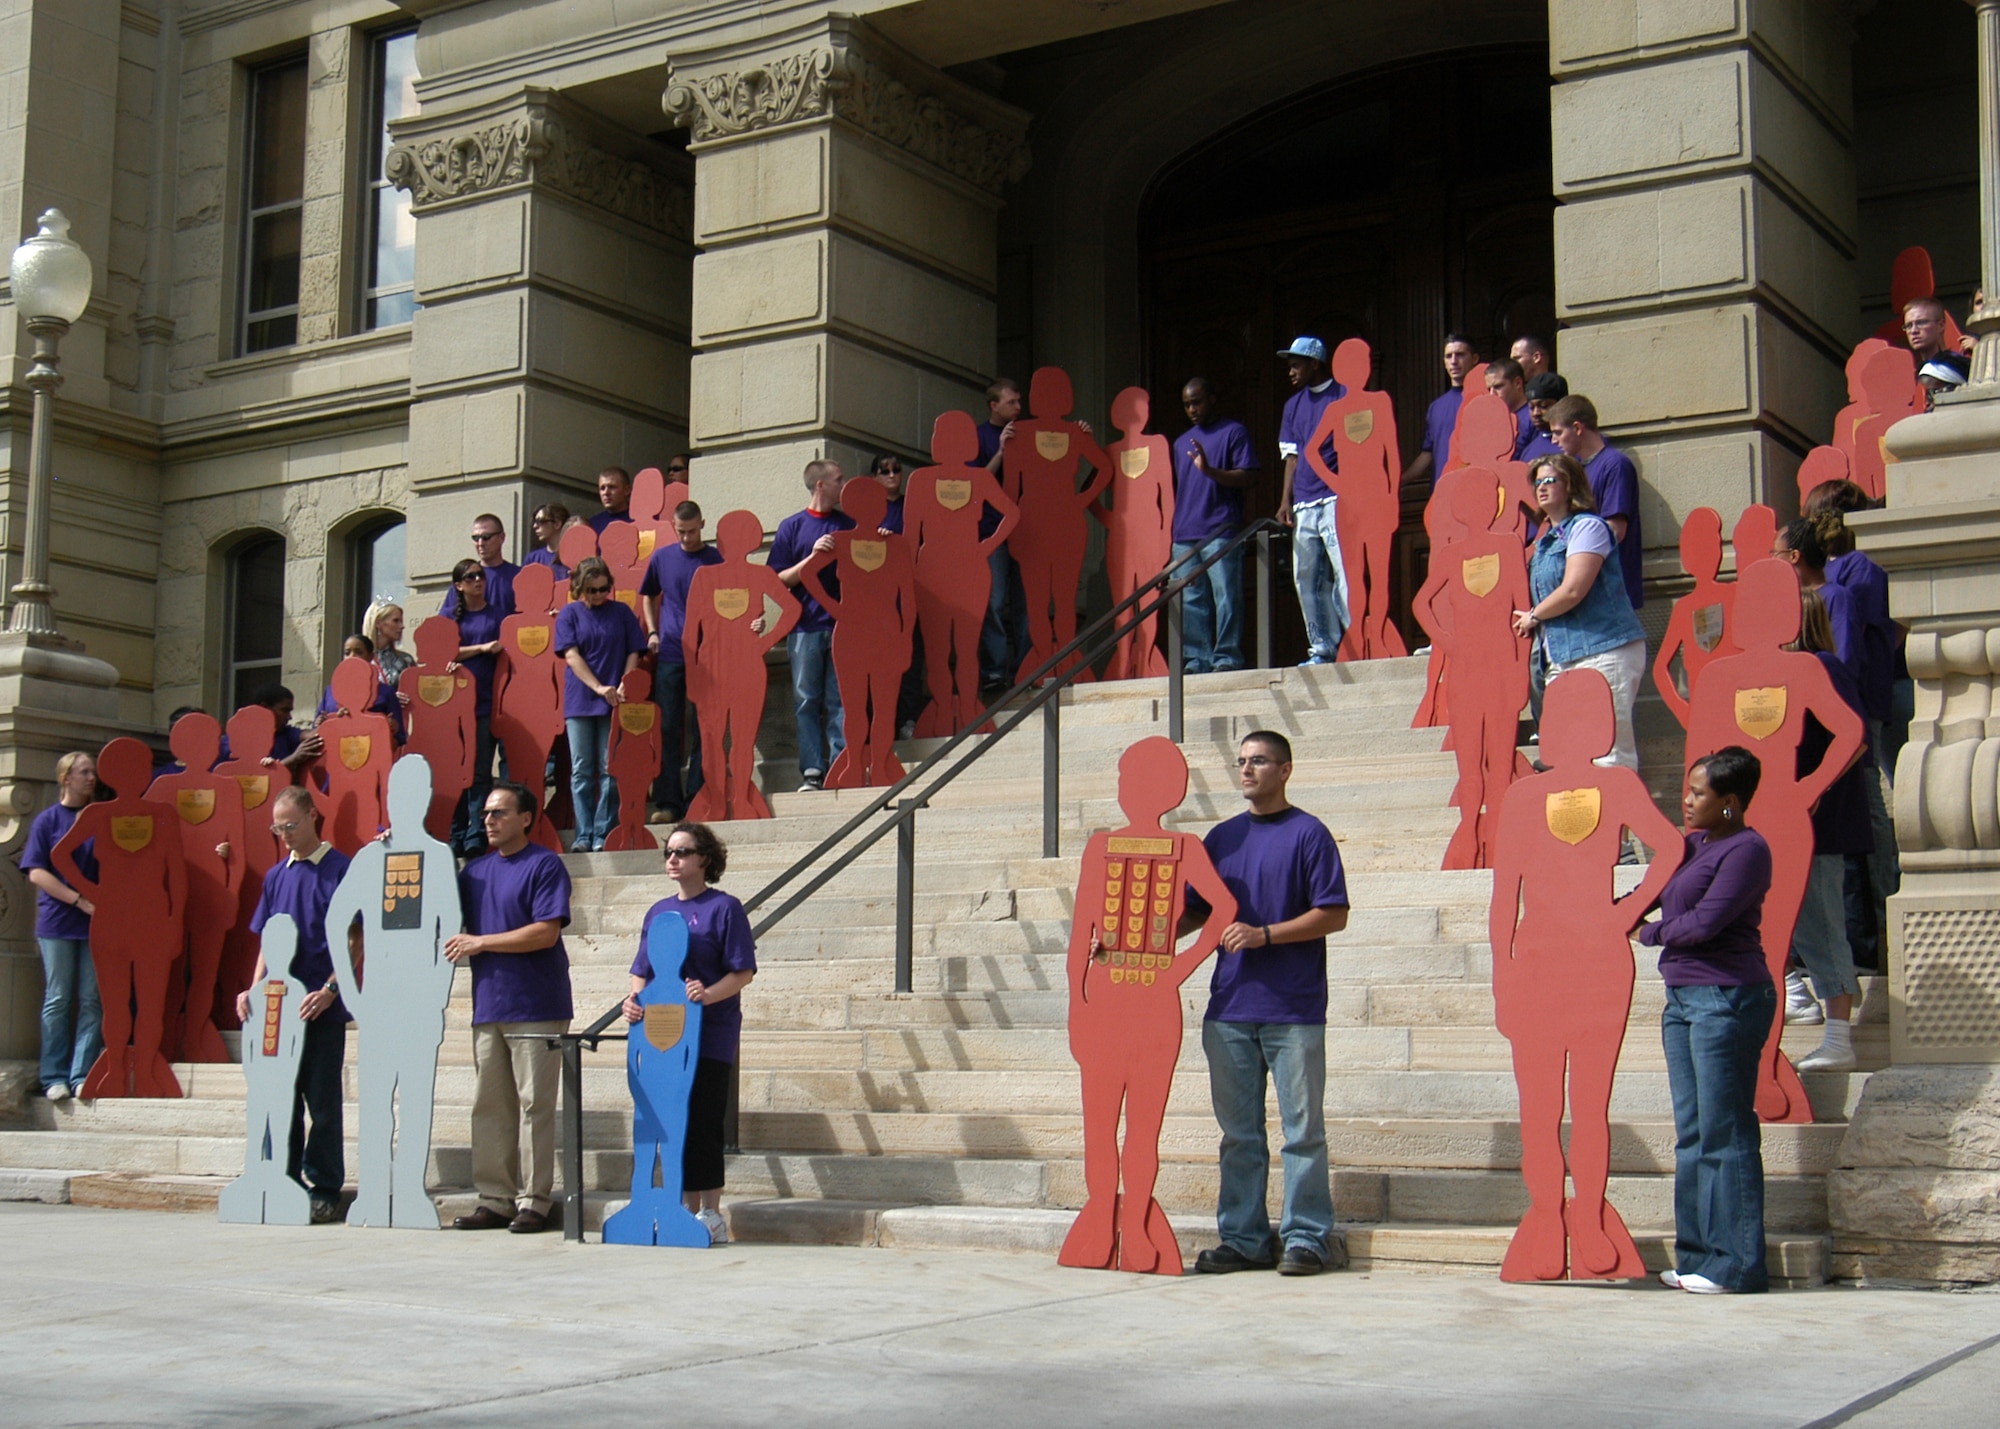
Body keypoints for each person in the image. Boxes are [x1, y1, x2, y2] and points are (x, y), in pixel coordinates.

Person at [1184, 730, 1351, 1276]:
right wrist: (1123, 941)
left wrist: (1266, 935)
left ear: (1286, 770)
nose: (1247, 770)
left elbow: (1334, 913)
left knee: (1303, 1133)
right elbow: (1192, 914)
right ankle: (1244, 1238)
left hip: (1294, 1009)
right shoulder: (1220, 839)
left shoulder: (1309, 834)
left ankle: (1306, 1238)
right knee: (1240, 1136)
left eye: (1259, 761)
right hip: (1229, 1008)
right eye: (1241, 762)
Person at [1637, 747, 1777, 1295]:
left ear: (1730, 803)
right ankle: (1697, 1256)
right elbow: (1650, 894)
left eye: (1699, 794)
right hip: (1682, 999)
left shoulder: (1748, 850)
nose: (1687, 801)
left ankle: (1737, 1264)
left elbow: (1704, 924)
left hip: (1728, 995)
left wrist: (1647, 932)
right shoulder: (1690, 845)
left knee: (1726, 1130)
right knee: (1692, 1134)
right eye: (1688, 789)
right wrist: (1613, 910)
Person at [621, 821, 755, 1246]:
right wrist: (634, 1002)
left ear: (705, 859)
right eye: (668, 852)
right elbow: (641, 970)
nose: (673, 859)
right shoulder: (658, 912)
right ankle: (680, 1206)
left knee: (702, 1123)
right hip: (662, 1035)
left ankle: (710, 1212)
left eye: (682, 852)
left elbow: (742, 971)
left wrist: (707, 995)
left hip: (709, 1034)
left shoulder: (724, 908)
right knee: (667, 1122)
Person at [448, 782, 573, 1233]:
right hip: (488, 1005)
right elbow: (429, 905)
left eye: (500, 813)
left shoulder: (544, 864)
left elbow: (545, 932)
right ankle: (495, 1198)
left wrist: (482, 942)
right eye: (485, 814)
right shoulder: (473, 873)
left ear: (526, 818)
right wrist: (396, 851)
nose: (489, 821)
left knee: (534, 1105)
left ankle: (535, 1200)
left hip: (537, 1002)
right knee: (489, 1107)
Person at [237, 785, 362, 1225]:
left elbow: (355, 937)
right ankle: (282, 1179)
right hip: (277, 1008)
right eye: (278, 828)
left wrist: (331, 989)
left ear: (312, 816)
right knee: (280, 1099)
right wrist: (251, 990)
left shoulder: (341, 869)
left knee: (322, 1101)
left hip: (320, 1007)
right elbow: (266, 941)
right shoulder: (276, 876)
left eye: (290, 825)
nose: (285, 834)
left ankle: (325, 1186)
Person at [1514, 453, 1647, 771]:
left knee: (1610, 751)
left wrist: (1534, 615)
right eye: (1538, 482)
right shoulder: (1546, 541)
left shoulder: (1588, 526)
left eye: (1550, 480)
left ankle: (1619, 820)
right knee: (1570, 752)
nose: (1542, 487)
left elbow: (1574, 589)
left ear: (1570, 484)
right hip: (1562, 656)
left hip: (1604, 649)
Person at [1783, 589, 1870, 1072]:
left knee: (1820, 919)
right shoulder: (1778, 674)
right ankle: (1807, 1003)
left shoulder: (1823, 667)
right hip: (1786, 823)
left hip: (1823, 824)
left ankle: (1839, 1037)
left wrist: (1813, 789)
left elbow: (1853, 738)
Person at [20, 751, 102, 1102]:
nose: (91, 778)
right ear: (65, 778)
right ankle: (53, 1075)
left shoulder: (101, 817)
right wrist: (77, 900)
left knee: (91, 999)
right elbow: (37, 871)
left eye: (93, 772)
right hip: (58, 922)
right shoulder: (48, 820)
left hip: (97, 922)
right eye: (84, 772)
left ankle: (82, 1073)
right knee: (58, 998)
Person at [768, 459, 854, 790]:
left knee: (839, 700)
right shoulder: (792, 527)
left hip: (841, 625)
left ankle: (841, 765)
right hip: (804, 627)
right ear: (820, 485)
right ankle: (812, 772)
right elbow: (778, 580)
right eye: (838, 479)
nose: (843, 485)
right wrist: (812, 557)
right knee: (806, 700)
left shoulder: (848, 524)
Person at [555, 555, 647, 852]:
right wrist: (598, 687)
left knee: (611, 767)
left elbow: (635, 650)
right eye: (591, 590)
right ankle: (583, 834)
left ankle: (602, 831)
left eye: (603, 588)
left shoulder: (621, 612)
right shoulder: (570, 614)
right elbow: (571, 655)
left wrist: (625, 682)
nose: (598, 595)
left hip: (616, 697)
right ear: (580, 588)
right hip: (581, 699)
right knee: (581, 768)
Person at [641, 499, 724, 824]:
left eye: (691, 532)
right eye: (680, 532)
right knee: (667, 727)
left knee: (706, 728)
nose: (686, 538)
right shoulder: (662, 557)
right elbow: (647, 594)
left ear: (702, 525)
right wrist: (652, 630)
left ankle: (698, 797)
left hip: (708, 656)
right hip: (672, 652)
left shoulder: (714, 559)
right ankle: (668, 802)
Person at [1171, 378, 1259, 673]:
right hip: (1185, 532)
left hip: (1221, 528)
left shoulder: (1234, 432)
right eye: (1186, 404)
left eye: (1197, 402)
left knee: (1226, 595)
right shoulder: (1180, 443)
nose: (1192, 409)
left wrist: (1210, 471)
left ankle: (1226, 657)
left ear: (1212, 399)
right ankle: (1198, 659)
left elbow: (1247, 476)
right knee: (1191, 600)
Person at [1275, 336, 1348, 665]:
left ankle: (1355, 640)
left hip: (1336, 498)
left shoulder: (1343, 394)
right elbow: (1291, 457)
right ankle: (1321, 647)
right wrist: (1284, 501)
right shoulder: (1292, 405)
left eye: (1296, 364)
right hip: (1304, 501)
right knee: (1306, 576)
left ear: (1315, 363)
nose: (1291, 371)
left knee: (1343, 574)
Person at [1548, 395, 1644, 610]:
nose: (1554, 441)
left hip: (1613, 593)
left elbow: (1615, 531)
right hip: (1587, 592)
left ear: (1577, 428)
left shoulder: (1615, 465)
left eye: (1558, 432)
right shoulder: (1577, 470)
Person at [447, 557, 505, 858]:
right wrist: (481, 649)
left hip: (485, 703)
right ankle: (455, 831)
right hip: (454, 707)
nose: (478, 581)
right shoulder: (451, 617)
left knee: (481, 771)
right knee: (457, 771)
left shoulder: (497, 614)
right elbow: (443, 651)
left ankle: (475, 832)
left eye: (480, 576)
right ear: (459, 585)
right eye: (470, 577)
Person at [976, 377, 1028, 695]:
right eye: (1011, 403)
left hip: (1026, 530)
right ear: (994, 405)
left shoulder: (1028, 433)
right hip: (992, 531)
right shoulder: (979, 435)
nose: (1018, 408)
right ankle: (994, 671)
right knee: (993, 602)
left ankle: (1026, 667)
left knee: (1027, 602)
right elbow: (976, 483)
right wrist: (1000, 451)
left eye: (1019, 402)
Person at [1403, 333, 1478, 491]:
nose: (1454, 361)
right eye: (1448, 356)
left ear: (1475, 359)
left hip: (1475, 489)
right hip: (1442, 494)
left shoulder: (1485, 399)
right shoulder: (1436, 407)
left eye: (1460, 355)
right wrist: (1401, 480)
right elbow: (1428, 454)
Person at [442, 513, 519, 621]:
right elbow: (445, 624)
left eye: (486, 537)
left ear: (502, 537)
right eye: (476, 538)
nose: (480, 543)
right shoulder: (465, 577)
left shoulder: (518, 576)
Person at [1482, 356, 1537, 457]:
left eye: (1498, 387)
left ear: (1517, 383)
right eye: (1489, 389)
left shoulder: (1534, 416)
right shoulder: (1493, 420)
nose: (1492, 394)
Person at [1519, 372, 1568, 463]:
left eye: (1544, 406)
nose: (1536, 413)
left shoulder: (1575, 444)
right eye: (1531, 407)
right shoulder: (1528, 451)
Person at [523, 502, 572, 582]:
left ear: (557, 524)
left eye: (540, 521)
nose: (535, 526)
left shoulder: (573, 556)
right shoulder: (533, 559)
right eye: (534, 522)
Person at [587, 465, 635, 535]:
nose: (606, 493)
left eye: (612, 487)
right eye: (602, 488)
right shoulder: (593, 524)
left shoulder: (640, 520)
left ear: (627, 490)